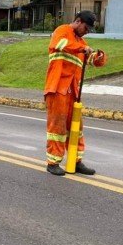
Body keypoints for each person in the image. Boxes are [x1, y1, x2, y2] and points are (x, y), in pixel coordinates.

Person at [44, 10, 107, 176]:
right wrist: (82, 47)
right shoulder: (62, 31)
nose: (87, 31)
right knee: (57, 126)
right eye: (86, 27)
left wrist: (99, 56)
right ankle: (53, 162)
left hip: (73, 91)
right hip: (58, 88)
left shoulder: (81, 42)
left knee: (76, 128)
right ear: (78, 21)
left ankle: (76, 160)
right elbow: (60, 44)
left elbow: (92, 60)